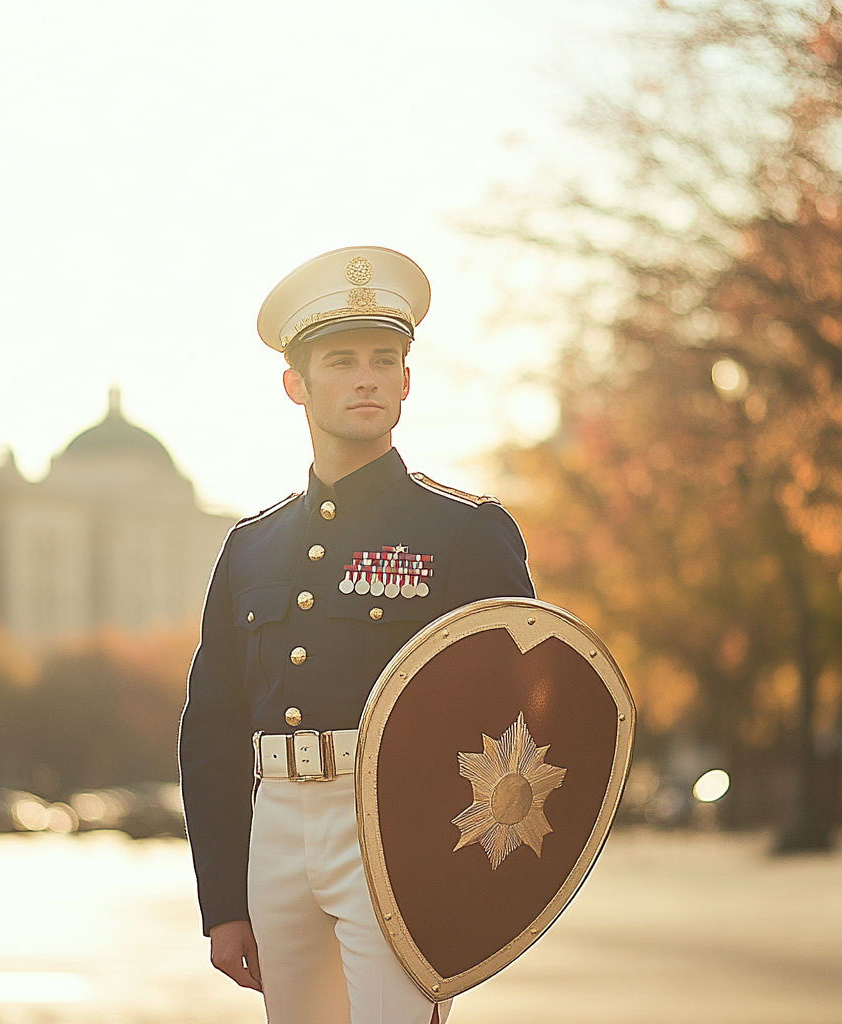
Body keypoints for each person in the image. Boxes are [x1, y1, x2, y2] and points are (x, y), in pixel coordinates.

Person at [179, 246, 535, 1024]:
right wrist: (223, 901)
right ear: (295, 385)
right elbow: (212, 726)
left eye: (385, 360)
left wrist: (469, 873)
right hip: (274, 829)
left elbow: (520, 715)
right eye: (340, 361)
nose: (366, 378)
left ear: (408, 380)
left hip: (398, 831)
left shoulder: (466, 531)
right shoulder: (251, 546)